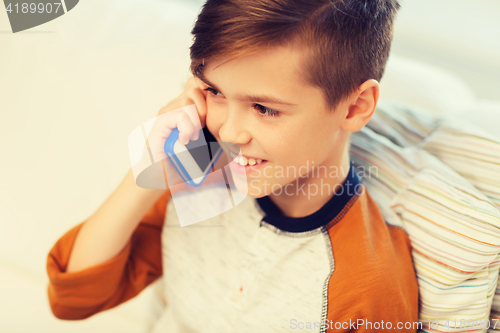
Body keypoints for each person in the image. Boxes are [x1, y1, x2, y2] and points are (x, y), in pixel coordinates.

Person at [46, 0, 419, 331]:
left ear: (355, 107)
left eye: (264, 108)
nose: (229, 131)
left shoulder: (369, 285)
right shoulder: (199, 181)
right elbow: (73, 300)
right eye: (216, 92)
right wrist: (147, 174)